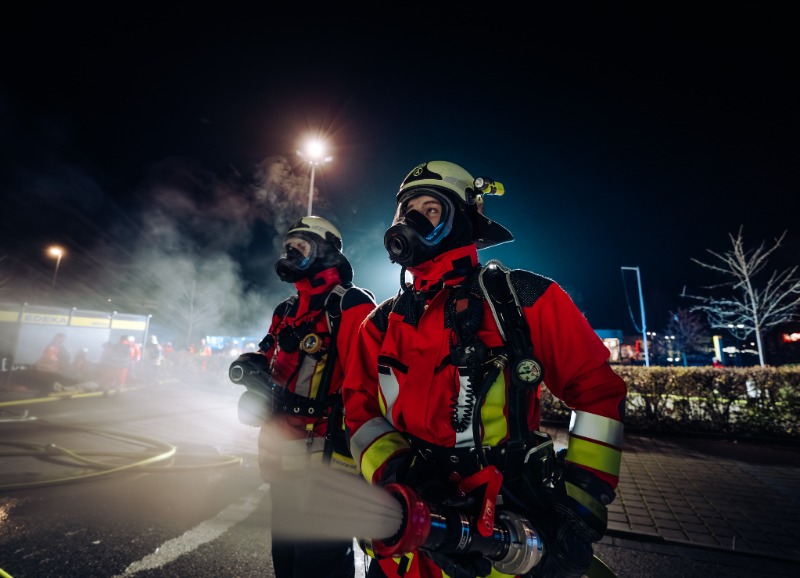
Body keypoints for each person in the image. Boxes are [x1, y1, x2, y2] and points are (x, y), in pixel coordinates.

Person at [342, 161, 627, 578]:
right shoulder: (381, 324)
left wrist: (579, 503)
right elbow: (359, 410)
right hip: (407, 535)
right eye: (406, 211)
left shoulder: (523, 300)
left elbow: (598, 392)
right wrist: (398, 471)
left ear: (462, 220)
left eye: (431, 209)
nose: (413, 221)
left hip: (498, 535)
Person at [229, 216, 376, 578]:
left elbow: (366, 382)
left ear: (326, 254)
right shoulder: (287, 309)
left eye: (302, 246)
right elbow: (273, 358)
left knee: (319, 565)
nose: (292, 252)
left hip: (327, 462)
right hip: (281, 457)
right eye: (289, 246)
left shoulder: (350, 304)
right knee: (287, 560)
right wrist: (253, 372)